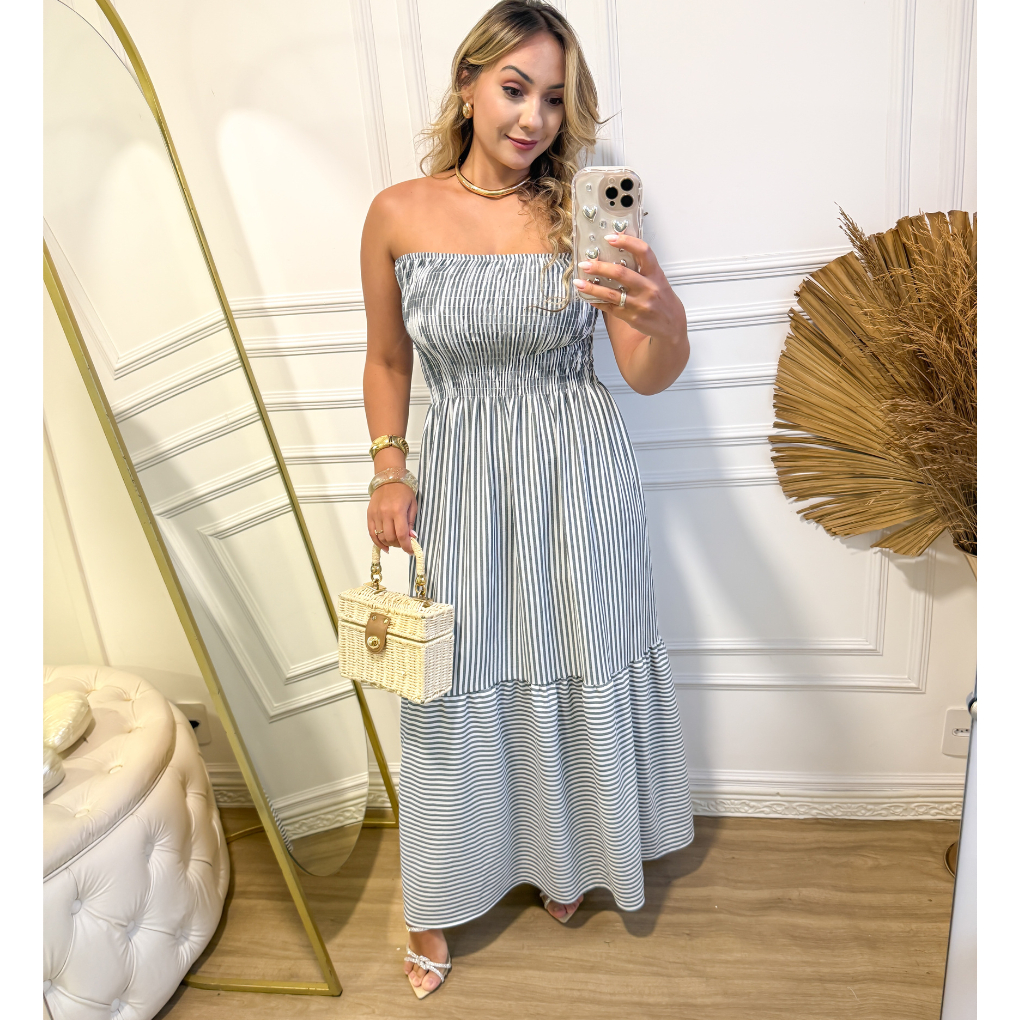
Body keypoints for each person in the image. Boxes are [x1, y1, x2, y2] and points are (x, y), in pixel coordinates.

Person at [360, 0, 695, 998]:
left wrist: (662, 316)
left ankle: (565, 856)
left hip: (577, 471)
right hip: (463, 475)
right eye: (515, 89)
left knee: (571, 653)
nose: (534, 118)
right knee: (457, 676)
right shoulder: (397, 212)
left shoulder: (580, 215)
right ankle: (435, 897)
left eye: (554, 99)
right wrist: (388, 467)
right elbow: (388, 360)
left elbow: (645, 376)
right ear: (468, 84)